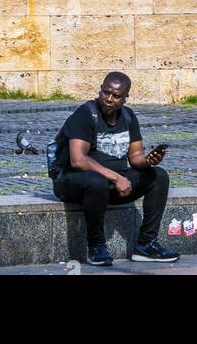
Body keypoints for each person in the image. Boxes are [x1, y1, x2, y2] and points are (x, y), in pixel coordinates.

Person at [50, 72, 179, 267]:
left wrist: (149, 161)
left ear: (125, 98)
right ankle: (96, 247)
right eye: (105, 92)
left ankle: (146, 244)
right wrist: (116, 178)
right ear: (100, 90)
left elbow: (135, 157)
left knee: (158, 176)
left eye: (116, 96)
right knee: (96, 181)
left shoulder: (128, 116)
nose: (109, 99)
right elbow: (78, 160)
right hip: (72, 182)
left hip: (108, 186)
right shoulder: (85, 114)